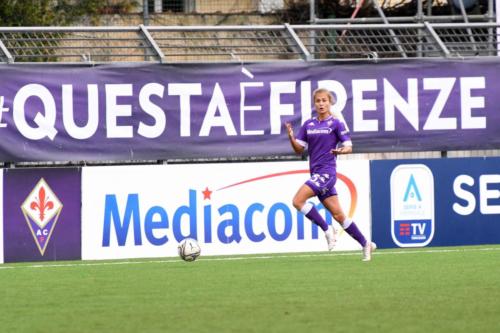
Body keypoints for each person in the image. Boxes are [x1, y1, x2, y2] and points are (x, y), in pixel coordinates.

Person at [285, 88, 376, 261]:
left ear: (330, 103)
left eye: (324, 101)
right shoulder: (308, 125)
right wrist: (291, 137)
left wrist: (343, 150)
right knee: (339, 215)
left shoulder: (336, 123)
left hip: (327, 174)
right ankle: (366, 244)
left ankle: (327, 229)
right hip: (316, 173)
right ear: (314, 103)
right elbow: (299, 150)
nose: (321, 104)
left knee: (297, 201)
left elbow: (349, 145)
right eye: (318, 101)